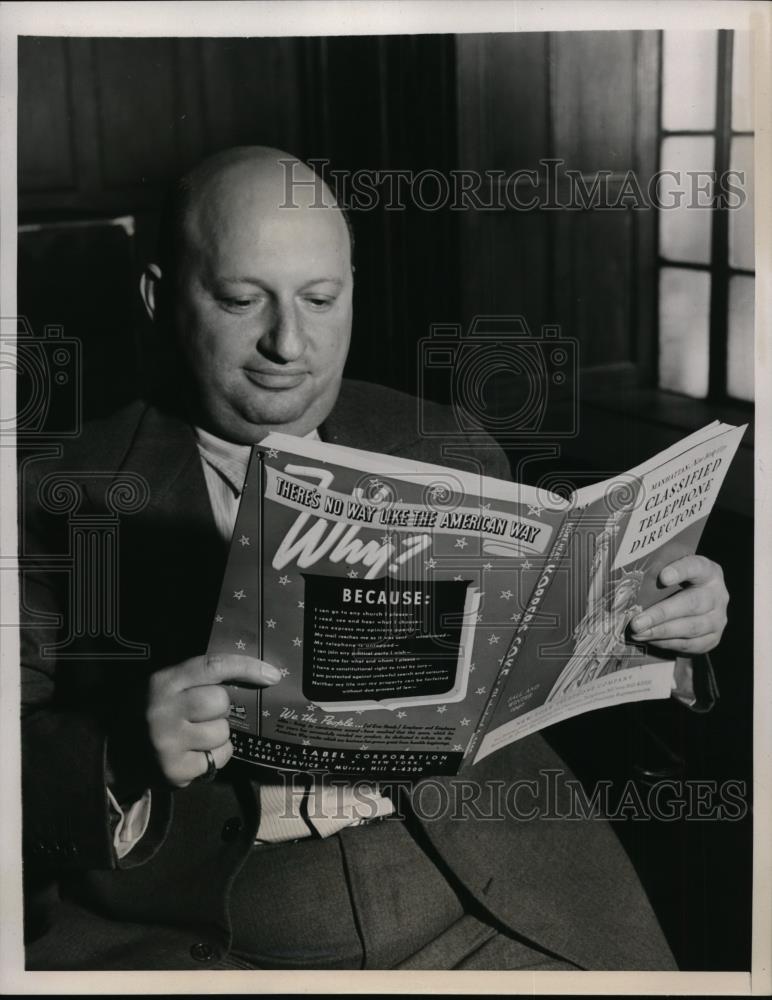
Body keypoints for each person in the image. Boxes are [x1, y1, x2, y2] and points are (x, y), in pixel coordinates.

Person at [20, 146, 730, 972]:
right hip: (221, 930)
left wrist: (657, 638)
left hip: (486, 884)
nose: (289, 343)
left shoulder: (447, 445)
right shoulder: (54, 495)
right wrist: (123, 753)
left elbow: (556, 711)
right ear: (160, 298)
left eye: (321, 299)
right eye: (241, 299)